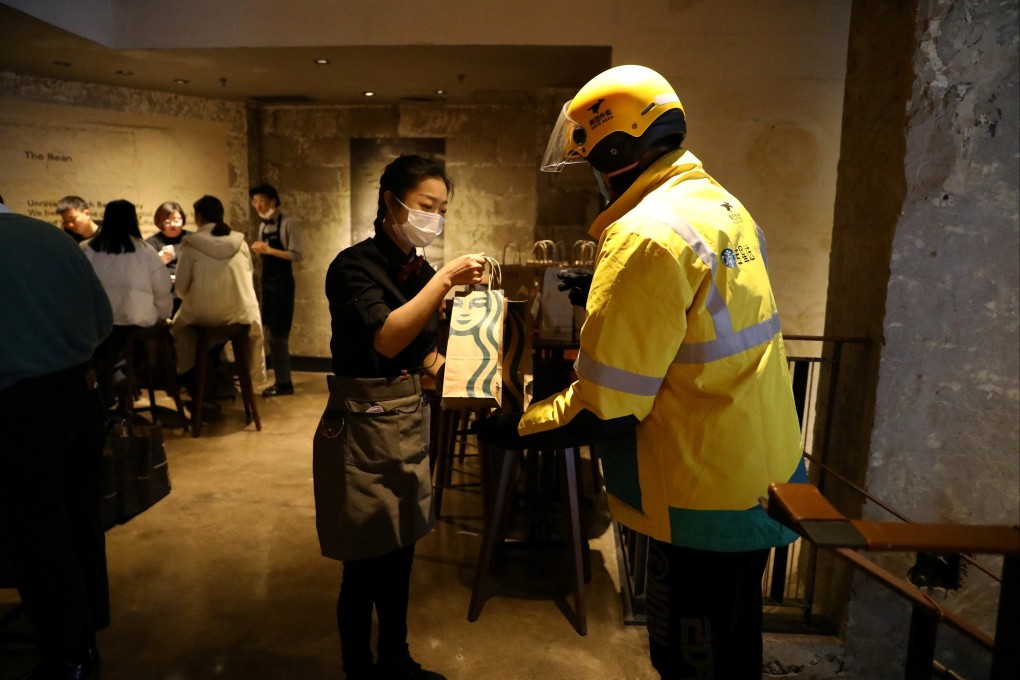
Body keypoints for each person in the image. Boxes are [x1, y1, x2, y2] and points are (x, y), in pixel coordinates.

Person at [475, 65, 807, 679]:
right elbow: (702, 324)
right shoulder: (720, 205)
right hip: (755, 469)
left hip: (697, 488)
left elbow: (608, 404)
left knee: (689, 660)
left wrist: (516, 425)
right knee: (734, 648)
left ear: (615, 151)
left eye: (592, 160)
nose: (594, 176)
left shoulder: (644, 235)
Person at [314, 155, 485, 680]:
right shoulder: (352, 267)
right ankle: (358, 669)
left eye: (443, 210)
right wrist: (446, 281)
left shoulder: (421, 272)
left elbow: (421, 353)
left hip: (408, 419)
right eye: (426, 206)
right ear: (391, 202)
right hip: (363, 426)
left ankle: (395, 659)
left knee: (401, 552)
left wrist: (474, 378)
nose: (435, 218)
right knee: (364, 562)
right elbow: (388, 337)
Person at [0, 193, 114, 679]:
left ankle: (67, 651)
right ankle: (89, 629)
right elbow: (103, 321)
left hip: (17, 406)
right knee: (79, 518)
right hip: (78, 396)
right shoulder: (53, 239)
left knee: (37, 533)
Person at [83, 199, 174, 410]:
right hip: (136, 321)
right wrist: (163, 315)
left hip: (98, 325)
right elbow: (162, 289)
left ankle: (109, 387)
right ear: (134, 220)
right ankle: (125, 383)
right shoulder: (146, 251)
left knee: (107, 346)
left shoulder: (86, 250)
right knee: (131, 342)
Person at [171, 195, 267, 393]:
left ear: (198, 217)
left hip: (203, 315)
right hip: (240, 314)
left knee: (179, 328)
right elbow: (249, 274)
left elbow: (180, 288)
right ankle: (217, 375)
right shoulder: (239, 242)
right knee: (217, 335)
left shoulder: (191, 244)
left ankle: (193, 380)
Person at [249, 183, 303, 397]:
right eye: (254, 202)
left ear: (273, 201)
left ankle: (284, 383)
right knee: (271, 332)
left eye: (261, 200)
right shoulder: (262, 226)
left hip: (282, 284)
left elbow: (296, 254)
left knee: (278, 334)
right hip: (268, 284)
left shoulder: (289, 223)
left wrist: (269, 250)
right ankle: (282, 380)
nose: (258, 205)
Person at [146, 201, 190, 315]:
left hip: (189, 292)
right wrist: (159, 260)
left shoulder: (192, 240)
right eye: (168, 221)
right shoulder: (151, 243)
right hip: (163, 292)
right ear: (160, 222)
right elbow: (144, 271)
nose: (173, 225)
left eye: (177, 220)